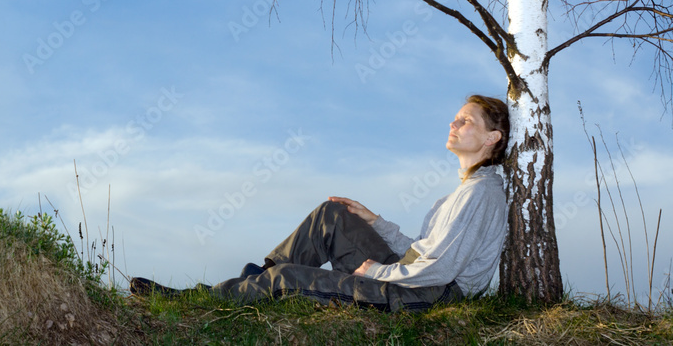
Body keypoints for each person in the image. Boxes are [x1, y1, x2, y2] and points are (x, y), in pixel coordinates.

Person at [130, 95, 510, 312]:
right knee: (332, 215)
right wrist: (375, 222)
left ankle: (203, 299)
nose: (453, 124)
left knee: (289, 280)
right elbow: (423, 254)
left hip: (428, 296)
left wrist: (376, 272)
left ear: (492, 137)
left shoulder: (481, 193)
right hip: (420, 280)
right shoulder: (462, 191)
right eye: (456, 118)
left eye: (466, 121)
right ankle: (253, 280)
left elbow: (439, 270)